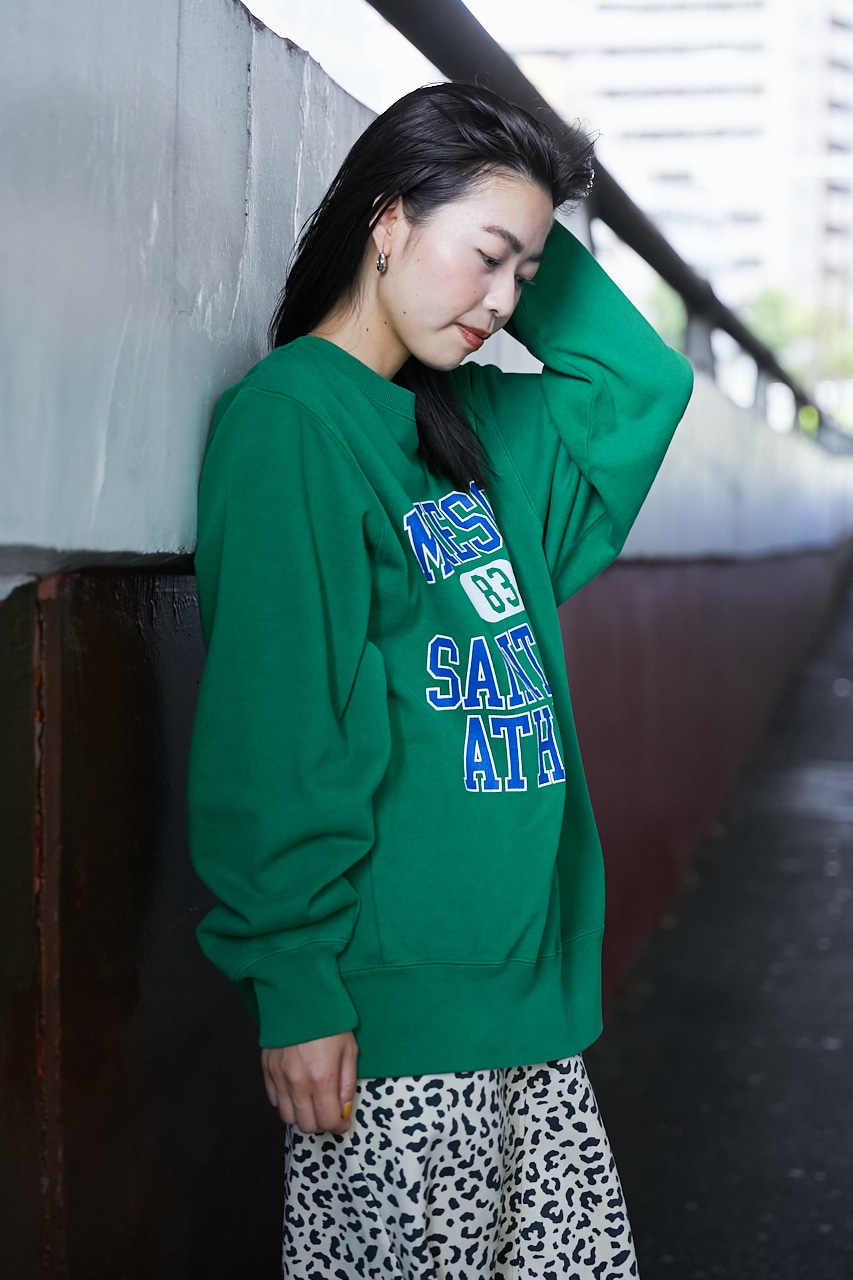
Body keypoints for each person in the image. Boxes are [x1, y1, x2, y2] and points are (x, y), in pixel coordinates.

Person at [188, 81, 693, 1279]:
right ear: (387, 218)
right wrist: (298, 985)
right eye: (488, 256)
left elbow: (642, 386)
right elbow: (278, 728)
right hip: (395, 1017)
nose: (506, 301)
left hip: (523, 997)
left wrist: (517, 213)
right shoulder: (292, 421)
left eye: (528, 274)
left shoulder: (470, 428)